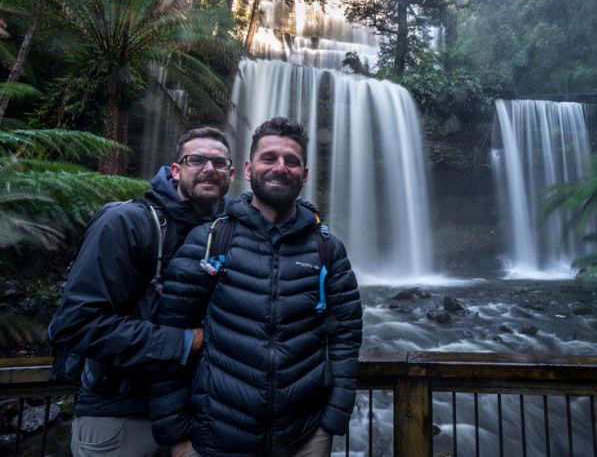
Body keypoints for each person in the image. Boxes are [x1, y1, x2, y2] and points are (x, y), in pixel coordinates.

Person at [150, 117, 363, 457]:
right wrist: (176, 436)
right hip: (216, 439)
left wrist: (331, 421)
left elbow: (346, 336)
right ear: (249, 169)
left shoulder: (328, 249)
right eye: (269, 158)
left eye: (291, 161)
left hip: (304, 437)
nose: (280, 167)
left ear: (304, 175)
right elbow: (170, 337)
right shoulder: (210, 240)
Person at [48, 127, 235, 457]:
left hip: (201, 421)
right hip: (121, 416)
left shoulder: (228, 231)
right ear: (176, 170)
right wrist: (184, 343)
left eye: (219, 163)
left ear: (232, 174)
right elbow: (75, 325)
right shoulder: (126, 223)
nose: (209, 169)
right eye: (197, 160)